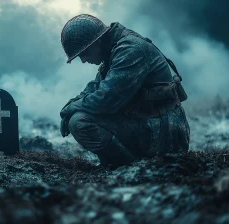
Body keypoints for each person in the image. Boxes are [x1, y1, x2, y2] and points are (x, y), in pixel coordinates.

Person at [59, 14, 190, 167]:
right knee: (78, 116)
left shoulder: (129, 50)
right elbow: (94, 88)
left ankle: (129, 168)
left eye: (84, 53)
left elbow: (105, 100)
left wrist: (69, 110)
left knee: (80, 122)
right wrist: (69, 107)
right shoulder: (112, 51)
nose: (83, 60)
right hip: (149, 124)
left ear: (97, 41)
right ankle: (126, 165)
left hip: (166, 133)